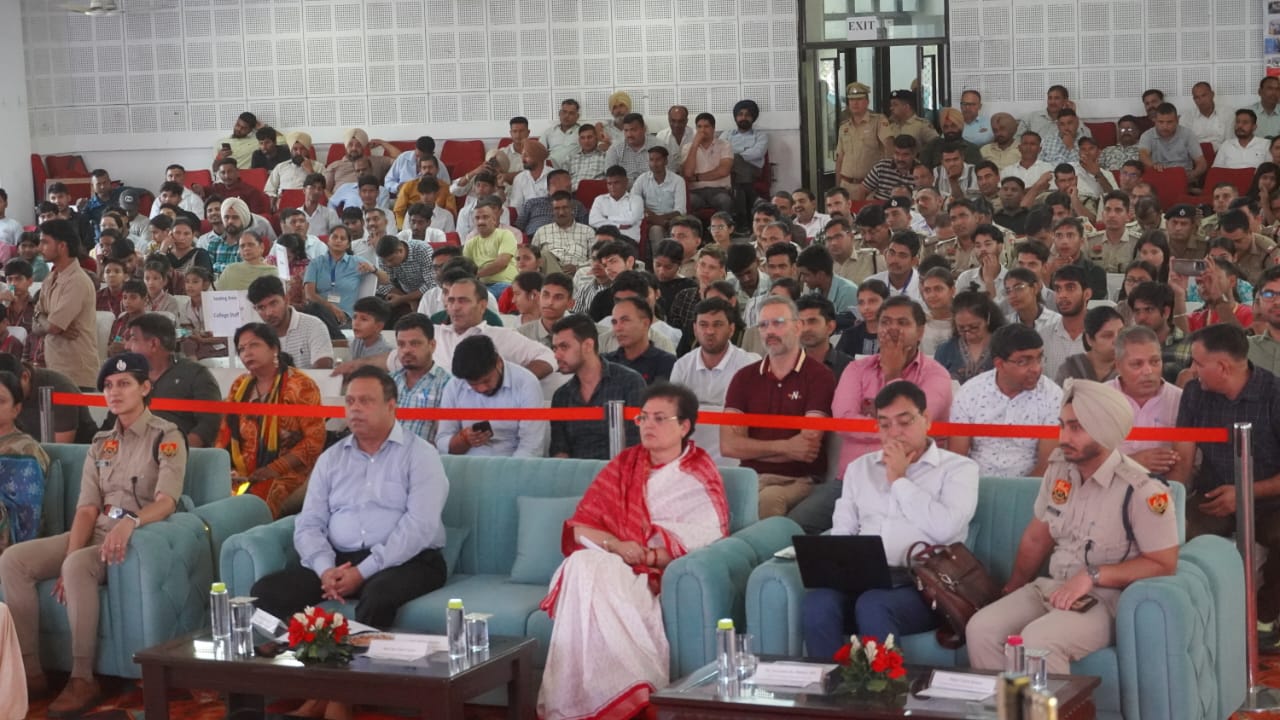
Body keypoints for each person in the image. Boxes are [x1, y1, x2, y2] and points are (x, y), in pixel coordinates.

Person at [0, 353, 186, 714]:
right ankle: (29, 671)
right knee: (14, 560)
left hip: (138, 537)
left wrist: (131, 523)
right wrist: (70, 551)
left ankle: (82, 678)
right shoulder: (101, 442)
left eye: (124, 384)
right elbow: (86, 509)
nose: (114, 392)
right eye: (108, 386)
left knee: (76, 567)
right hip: (98, 529)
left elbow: (167, 501)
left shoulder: (166, 435)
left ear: (145, 388)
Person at [538, 383, 729, 720]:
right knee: (582, 563)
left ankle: (620, 695)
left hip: (653, 575)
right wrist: (618, 547)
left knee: (587, 568)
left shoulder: (699, 474)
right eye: (643, 418)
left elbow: (706, 536)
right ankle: (609, 697)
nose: (648, 425)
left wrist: (647, 556)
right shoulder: (624, 464)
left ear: (684, 426)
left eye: (659, 418)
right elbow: (580, 528)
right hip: (612, 560)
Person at [966, 380, 1179, 674]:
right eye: (1062, 425)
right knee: (981, 629)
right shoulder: (1059, 471)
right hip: (1051, 587)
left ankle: (1051, 704)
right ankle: (1007, 702)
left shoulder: (1143, 490)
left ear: (1104, 429)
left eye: (1076, 428)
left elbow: (1164, 563)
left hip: (1103, 600)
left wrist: (1093, 575)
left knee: (1038, 641)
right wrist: (1012, 587)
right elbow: (1037, 538)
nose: (1063, 437)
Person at [251, 365, 448, 633]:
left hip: (407, 561)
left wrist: (362, 572)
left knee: (379, 597)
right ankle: (296, 655)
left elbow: (419, 527)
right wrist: (325, 570)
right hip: (339, 560)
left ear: (391, 406)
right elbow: (309, 523)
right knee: (265, 592)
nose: (355, 409)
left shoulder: (420, 455)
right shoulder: (331, 459)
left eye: (366, 401)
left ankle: (357, 660)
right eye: (350, 401)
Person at [802, 380, 979, 660]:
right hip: (864, 576)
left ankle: (885, 687)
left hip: (924, 584)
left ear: (926, 420)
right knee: (818, 603)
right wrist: (835, 567)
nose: (894, 432)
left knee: (874, 605)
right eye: (885, 425)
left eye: (904, 422)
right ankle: (828, 683)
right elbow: (843, 529)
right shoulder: (860, 468)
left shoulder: (959, 469)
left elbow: (945, 528)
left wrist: (899, 479)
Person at [1171, 324, 1280, 633]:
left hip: (1270, 501)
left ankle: (1264, 620)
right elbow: (1183, 458)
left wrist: (1244, 493)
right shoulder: (1194, 393)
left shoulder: (1275, 395)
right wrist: (1170, 504)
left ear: (1222, 367)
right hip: (1212, 496)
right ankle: (1188, 619)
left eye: (1198, 363)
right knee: (1175, 532)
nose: (1192, 370)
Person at [722, 296, 837, 519]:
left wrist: (751, 447)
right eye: (763, 325)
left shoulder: (820, 376)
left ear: (798, 326)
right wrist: (785, 447)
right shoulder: (744, 377)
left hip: (798, 480)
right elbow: (728, 445)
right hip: (749, 477)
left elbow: (806, 449)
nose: (770, 331)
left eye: (778, 323)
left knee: (768, 500)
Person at [216, 323, 325, 518]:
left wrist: (273, 469)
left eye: (254, 345)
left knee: (252, 506)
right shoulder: (239, 385)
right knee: (212, 496)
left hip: (288, 471)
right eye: (242, 349)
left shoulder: (300, 386)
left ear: (274, 348)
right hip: (242, 470)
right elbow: (225, 432)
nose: (247, 353)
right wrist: (225, 468)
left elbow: (314, 441)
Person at [833, 295, 953, 472]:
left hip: (913, 476)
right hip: (855, 475)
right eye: (885, 322)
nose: (892, 329)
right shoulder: (856, 369)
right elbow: (843, 423)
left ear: (920, 332)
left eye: (903, 323)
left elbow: (915, 427)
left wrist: (893, 375)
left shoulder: (936, 375)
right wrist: (896, 425)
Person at [951, 323, 1062, 477]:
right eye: (1024, 361)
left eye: (1039, 358)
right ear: (999, 364)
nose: (1036, 368)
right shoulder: (970, 393)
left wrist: (1015, 491)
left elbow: (1047, 465)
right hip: (975, 482)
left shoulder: (1053, 396)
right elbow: (957, 457)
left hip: (1032, 486)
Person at [670, 297, 759, 465]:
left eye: (717, 325)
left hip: (737, 462)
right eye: (703, 325)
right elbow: (674, 418)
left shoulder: (749, 365)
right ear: (695, 329)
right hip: (690, 461)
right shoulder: (682, 366)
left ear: (731, 329)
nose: (710, 331)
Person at [549, 314, 646, 460]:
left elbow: (638, 442)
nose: (557, 355)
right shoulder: (562, 395)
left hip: (620, 468)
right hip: (575, 471)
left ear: (588, 345)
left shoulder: (629, 382)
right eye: (555, 348)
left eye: (564, 347)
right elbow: (559, 449)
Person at [118, 313, 222, 447]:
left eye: (134, 339)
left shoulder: (195, 375)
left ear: (153, 344)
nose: (127, 346)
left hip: (178, 453)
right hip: (129, 453)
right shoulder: (127, 378)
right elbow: (112, 423)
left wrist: (177, 451)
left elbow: (209, 424)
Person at [436, 334, 546, 458]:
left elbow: (531, 446)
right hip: (467, 462)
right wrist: (464, 440)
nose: (482, 388)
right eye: (473, 384)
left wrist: (509, 468)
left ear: (498, 362)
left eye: (486, 380)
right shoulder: (455, 386)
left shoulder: (526, 383)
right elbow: (442, 442)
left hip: (512, 460)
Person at [31, 219, 98, 388]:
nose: (39, 248)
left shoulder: (77, 281)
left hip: (77, 372)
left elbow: (53, 327)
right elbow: (35, 326)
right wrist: (44, 320)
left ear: (62, 246)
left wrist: (43, 319)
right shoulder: (51, 278)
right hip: (54, 367)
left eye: (45, 242)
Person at [0, 370, 50, 554]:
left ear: (16, 409)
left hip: (11, 540)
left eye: (0, 401)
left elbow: (27, 514)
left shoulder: (27, 451)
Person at [248, 276, 335, 370]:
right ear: (255, 309)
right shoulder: (257, 336)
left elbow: (323, 369)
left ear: (286, 299)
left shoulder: (313, 325)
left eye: (273, 303)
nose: (269, 313)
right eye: (261, 308)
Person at [390, 313, 452, 444]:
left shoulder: (447, 385)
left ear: (432, 345)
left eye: (415, 344)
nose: (406, 350)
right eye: (401, 344)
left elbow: (445, 438)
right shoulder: (388, 382)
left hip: (422, 454)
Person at [1055, 305, 1124, 384]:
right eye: (1107, 335)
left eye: (1122, 333)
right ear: (1089, 339)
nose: (1117, 341)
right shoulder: (1071, 368)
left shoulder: (1129, 367)